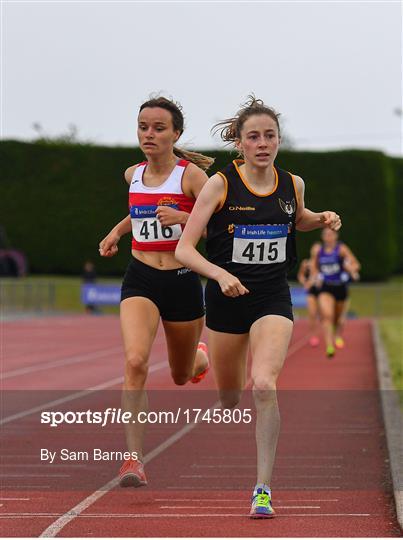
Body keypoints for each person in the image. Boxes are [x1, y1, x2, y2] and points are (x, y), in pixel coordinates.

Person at [175, 96, 341, 519]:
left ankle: (262, 488)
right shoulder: (221, 185)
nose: (263, 143)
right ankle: (201, 358)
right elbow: (184, 250)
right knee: (230, 400)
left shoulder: (293, 183)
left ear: (279, 140)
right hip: (227, 300)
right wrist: (219, 274)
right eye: (254, 137)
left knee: (263, 385)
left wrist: (320, 217)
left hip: (271, 297)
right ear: (241, 143)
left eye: (270, 135)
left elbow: (295, 218)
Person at [99, 96, 213, 488]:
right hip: (141, 278)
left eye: (159, 128)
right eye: (143, 126)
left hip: (182, 281)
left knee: (182, 376)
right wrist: (116, 232)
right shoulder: (131, 173)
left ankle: (199, 358)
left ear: (176, 134)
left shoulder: (192, 178)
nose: (149, 134)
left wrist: (185, 217)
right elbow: (140, 212)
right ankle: (132, 459)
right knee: (135, 362)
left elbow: (220, 226)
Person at [311, 227, 360, 357]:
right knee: (327, 315)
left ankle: (337, 335)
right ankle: (329, 346)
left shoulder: (342, 249)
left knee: (338, 319)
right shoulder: (319, 251)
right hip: (325, 287)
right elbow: (314, 267)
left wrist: (350, 269)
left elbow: (356, 264)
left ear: (336, 236)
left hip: (340, 287)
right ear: (322, 237)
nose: (328, 236)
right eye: (326, 234)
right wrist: (316, 277)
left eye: (331, 234)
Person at [297, 247, 321, 346]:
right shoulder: (306, 263)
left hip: (323, 291)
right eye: (314, 251)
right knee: (312, 313)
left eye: (318, 251)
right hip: (311, 291)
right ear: (311, 252)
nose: (316, 253)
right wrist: (305, 282)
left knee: (325, 314)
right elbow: (300, 275)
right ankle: (313, 335)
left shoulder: (323, 263)